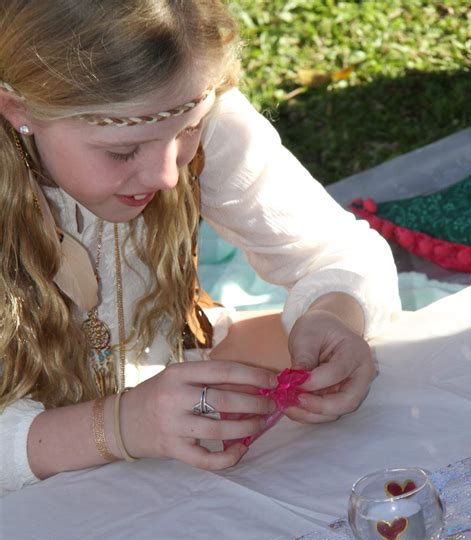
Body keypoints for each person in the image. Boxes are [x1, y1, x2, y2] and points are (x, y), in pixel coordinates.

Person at [0, 0, 401, 494]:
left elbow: (340, 252)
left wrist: (333, 317)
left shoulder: (183, 103)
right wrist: (120, 426)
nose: (168, 175)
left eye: (189, 130)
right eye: (122, 151)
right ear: (19, 109)